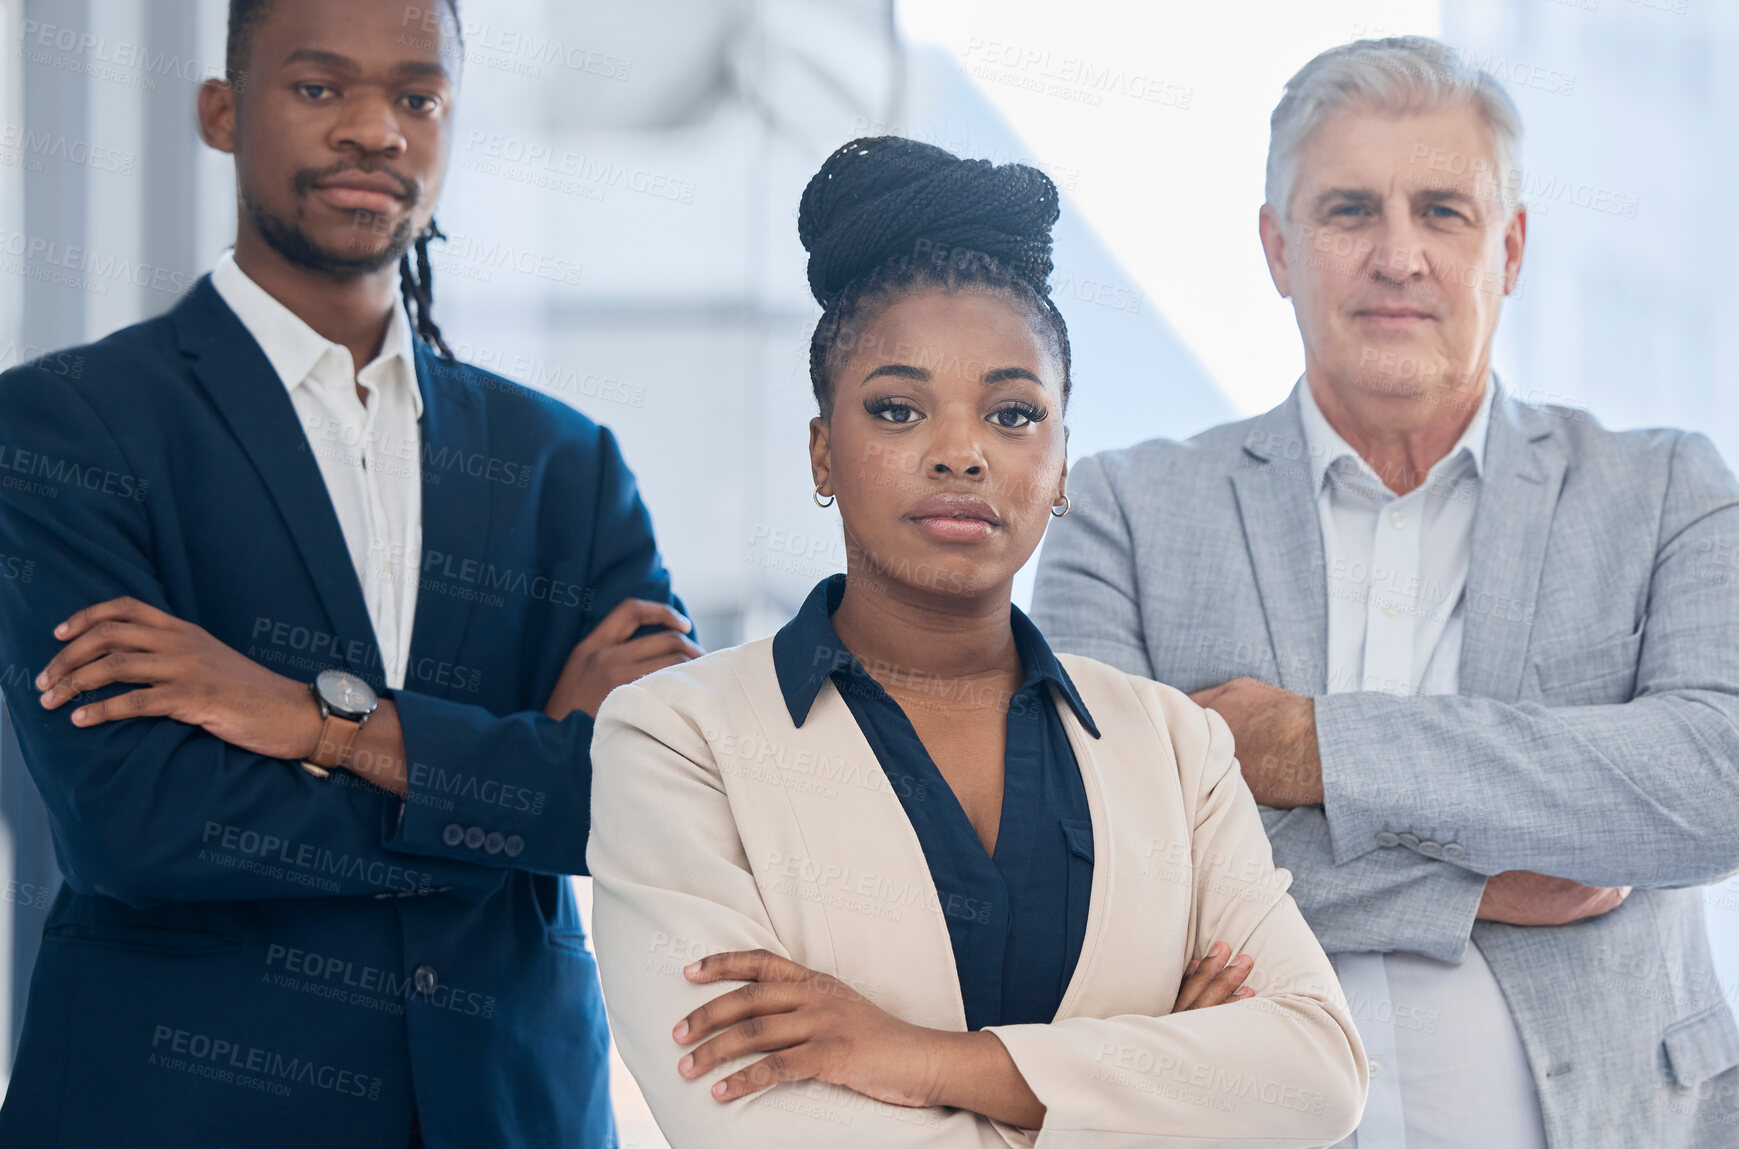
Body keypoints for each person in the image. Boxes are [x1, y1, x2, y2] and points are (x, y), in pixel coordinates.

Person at [0, 1, 699, 1145]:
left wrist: (309, 722)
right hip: (187, 1109)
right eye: (320, 89)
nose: (376, 131)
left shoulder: (563, 464)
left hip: (507, 1108)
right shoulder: (66, 428)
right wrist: (506, 787)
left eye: (417, 97)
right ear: (221, 113)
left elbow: (644, 800)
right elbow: (141, 822)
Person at [586, 136, 1367, 1148]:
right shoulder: (675, 739)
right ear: (823, 449)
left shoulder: (1174, 748)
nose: (959, 453)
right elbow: (760, 1125)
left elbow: (1315, 1077)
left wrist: (920, 1061)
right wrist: (1163, 1078)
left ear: (1060, 461)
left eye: (1009, 412)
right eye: (898, 409)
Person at [1032, 35, 1739, 1149]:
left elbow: (1710, 786)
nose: (1396, 254)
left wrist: (1304, 747)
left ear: (1507, 248)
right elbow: (1090, 850)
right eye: (1348, 209)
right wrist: (1462, 887)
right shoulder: (1118, 510)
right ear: (1277, 246)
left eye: (1442, 211)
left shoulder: (1665, 491)